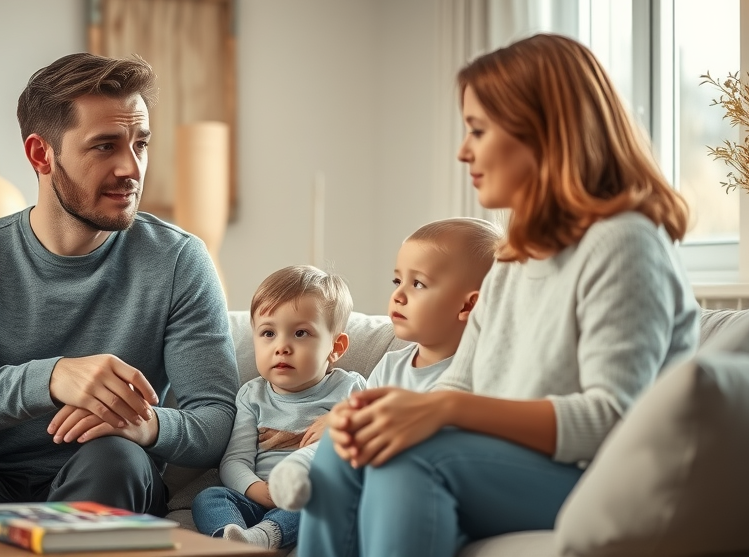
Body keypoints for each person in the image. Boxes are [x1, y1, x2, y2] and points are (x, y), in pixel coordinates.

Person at [298, 33, 700, 557]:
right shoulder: (516, 257)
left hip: (607, 480)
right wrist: (387, 410)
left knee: (412, 459)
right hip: (512, 466)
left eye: (478, 130)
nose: (464, 151)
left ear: (543, 133)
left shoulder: (624, 242)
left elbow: (611, 417)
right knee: (343, 452)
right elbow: (464, 380)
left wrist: (444, 412)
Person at [0, 53, 239, 516]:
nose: (132, 168)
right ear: (41, 154)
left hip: (103, 474)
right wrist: (53, 377)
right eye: (105, 146)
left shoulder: (179, 260)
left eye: (140, 144)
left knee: (118, 457)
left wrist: (147, 425)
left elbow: (216, 420)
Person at [268, 218, 501, 511]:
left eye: (417, 283)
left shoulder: (478, 376)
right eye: (397, 281)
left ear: (468, 306)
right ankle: (299, 470)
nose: (398, 295)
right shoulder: (391, 365)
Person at [192, 265, 366, 550]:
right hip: (259, 495)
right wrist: (256, 490)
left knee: (328, 498)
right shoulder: (252, 395)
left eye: (300, 333)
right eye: (268, 333)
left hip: (307, 495)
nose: (282, 346)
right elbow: (235, 460)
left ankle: (263, 538)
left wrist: (342, 420)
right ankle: (230, 541)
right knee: (209, 497)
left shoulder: (350, 389)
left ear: (336, 347)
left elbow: (373, 429)